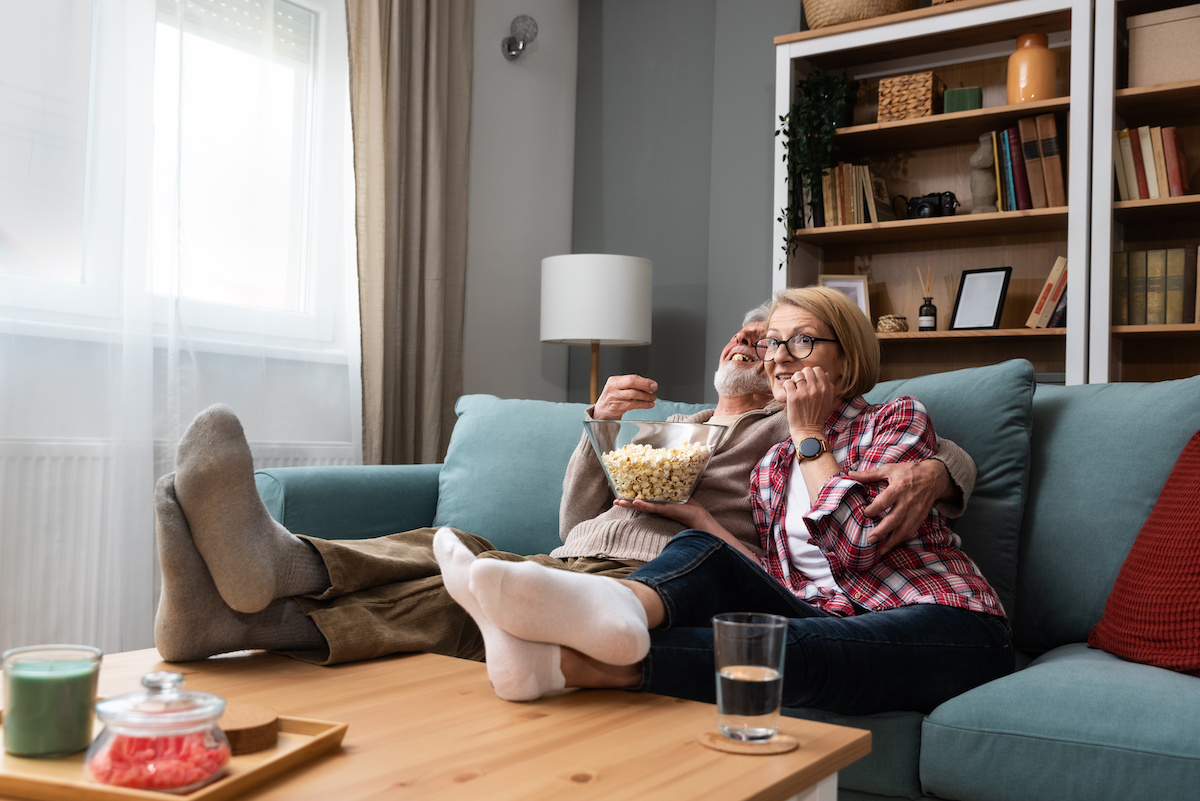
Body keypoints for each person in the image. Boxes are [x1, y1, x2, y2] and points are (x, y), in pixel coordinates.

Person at [154, 301, 975, 669]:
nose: (756, 346)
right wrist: (602, 429)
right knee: (467, 559)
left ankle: (268, 584)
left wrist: (944, 472)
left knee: (466, 585)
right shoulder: (676, 426)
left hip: (649, 574)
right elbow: (582, 516)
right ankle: (245, 598)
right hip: (578, 551)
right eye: (753, 335)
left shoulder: (790, 435)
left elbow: (909, 453)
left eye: (777, 342)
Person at [434, 286, 1012, 713]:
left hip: (942, 620)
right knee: (706, 550)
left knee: (788, 649)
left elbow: (856, 544)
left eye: (802, 342)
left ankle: (575, 648)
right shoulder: (771, 465)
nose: (780, 357)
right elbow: (775, 572)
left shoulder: (895, 419)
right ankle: (584, 634)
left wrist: (814, 434)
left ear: (848, 357)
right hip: (820, 608)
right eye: (775, 345)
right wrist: (706, 522)